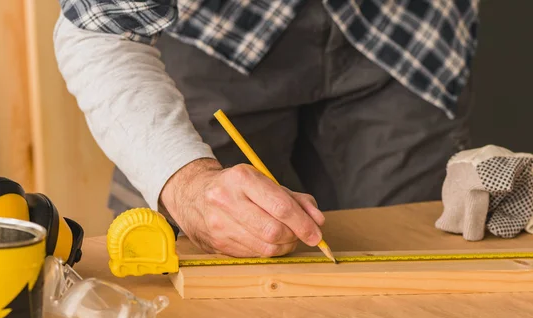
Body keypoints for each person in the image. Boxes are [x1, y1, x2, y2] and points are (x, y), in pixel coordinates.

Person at [53, 0, 478, 258]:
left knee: (420, 247)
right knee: (204, 262)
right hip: (212, 27)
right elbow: (98, 31)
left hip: (407, 32)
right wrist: (185, 184)